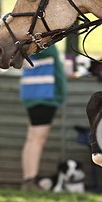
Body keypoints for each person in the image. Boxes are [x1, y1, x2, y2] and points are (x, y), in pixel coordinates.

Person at [20, 45, 68, 190]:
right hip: (43, 94)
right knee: (37, 139)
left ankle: (28, 179)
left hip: (35, 93)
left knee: (32, 138)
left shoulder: (26, 43)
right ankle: (31, 180)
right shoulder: (40, 43)